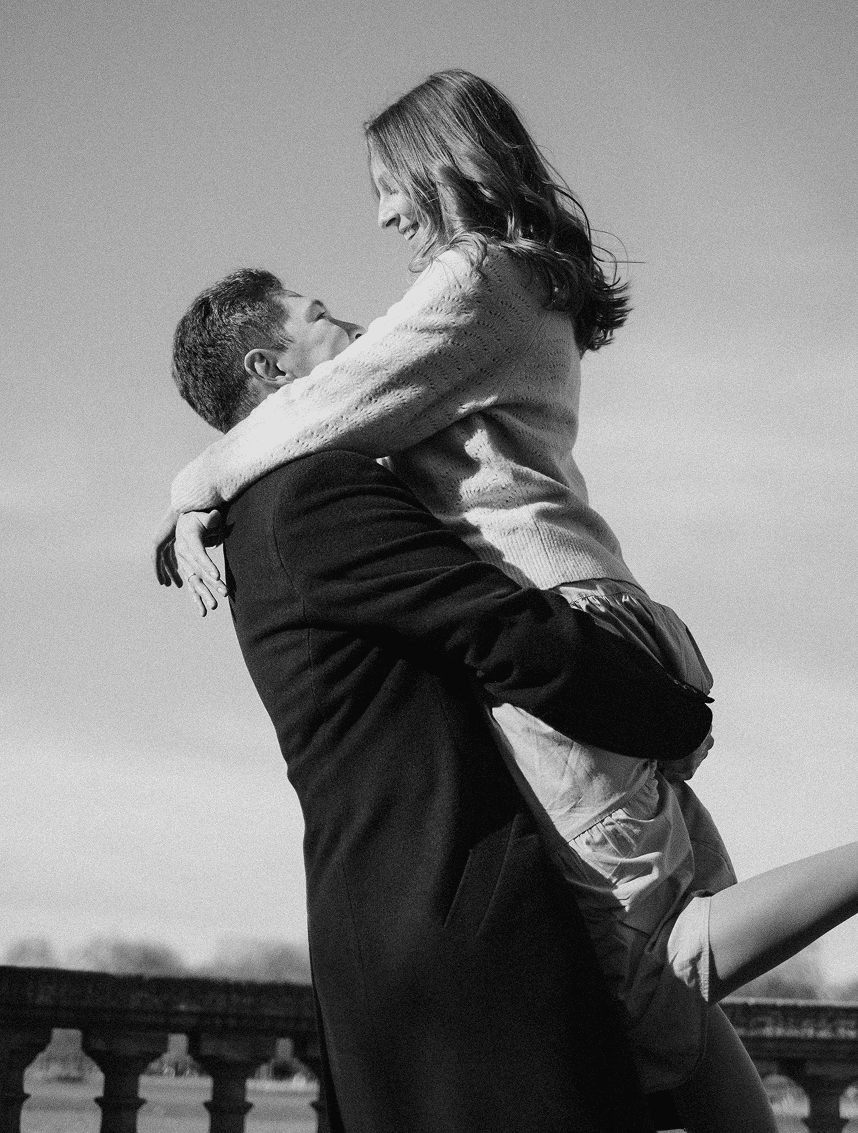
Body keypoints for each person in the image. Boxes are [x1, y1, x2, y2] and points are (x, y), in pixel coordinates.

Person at [154, 73, 858, 1130]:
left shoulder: (472, 278)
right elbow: (334, 406)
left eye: (389, 184)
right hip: (596, 602)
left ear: (442, 164)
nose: (382, 216)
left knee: (665, 959)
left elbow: (328, 404)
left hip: (561, 616)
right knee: (664, 982)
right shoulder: (518, 280)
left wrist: (190, 486)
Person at [165, 268, 720, 1132]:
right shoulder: (313, 492)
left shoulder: (250, 511)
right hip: (455, 924)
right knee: (682, 966)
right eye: (321, 316)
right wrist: (674, 715)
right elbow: (503, 631)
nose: (360, 328)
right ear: (268, 369)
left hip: (395, 929)